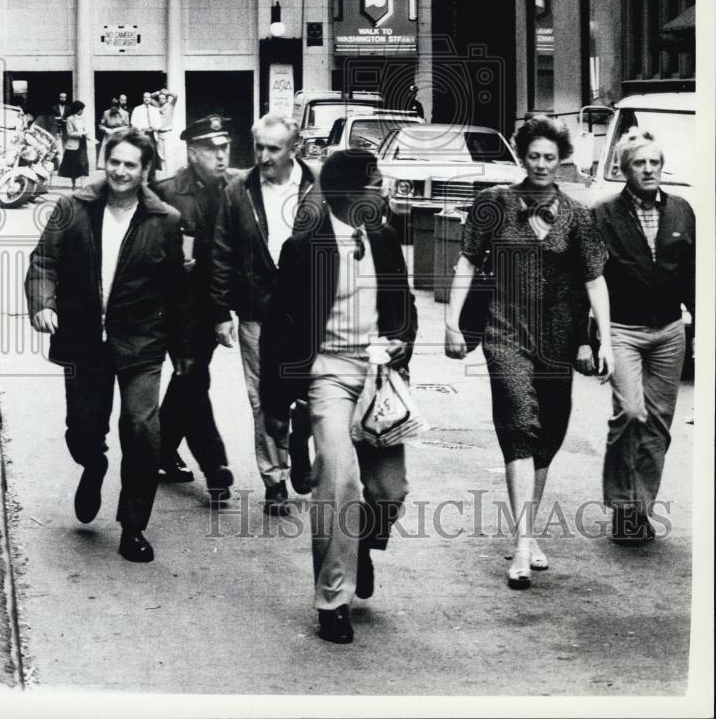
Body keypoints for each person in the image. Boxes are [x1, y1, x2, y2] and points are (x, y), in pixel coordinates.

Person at [445, 115, 614, 589]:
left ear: (561, 162)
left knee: (549, 431)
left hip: (558, 339)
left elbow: (594, 278)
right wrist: (451, 321)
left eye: (550, 157)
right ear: (523, 157)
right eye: (534, 156)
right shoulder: (493, 204)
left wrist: (607, 340)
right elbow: (466, 263)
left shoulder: (576, 214)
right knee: (519, 422)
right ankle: (521, 543)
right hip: (505, 332)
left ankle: (530, 530)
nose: (541, 164)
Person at [260, 149, 417, 644]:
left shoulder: (387, 239)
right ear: (352, 192)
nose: (384, 190)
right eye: (377, 182)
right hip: (326, 374)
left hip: (378, 374)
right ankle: (333, 600)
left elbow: (405, 307)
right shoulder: (305, 246)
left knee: (390, 492)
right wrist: (275, 405)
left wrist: (401, 339)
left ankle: (361, 544)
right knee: (340, 483)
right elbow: (278, 330)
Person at [24, 127, 195, 563]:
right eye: (114, 161)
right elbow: (44, 260)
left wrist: (184, 349)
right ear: (104, 161)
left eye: (130, 164)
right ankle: (93, 465)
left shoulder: (164, 220)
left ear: (146, 170)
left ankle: (133, 526)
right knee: (83, 430)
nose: (120, 171)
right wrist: (43, 304)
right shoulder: (72, 206)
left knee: (141, 430)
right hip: (85, 341)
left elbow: (177, 290)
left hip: (142, 343)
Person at [592, 128, 695, 545]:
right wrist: (588, 338)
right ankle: (620, 504)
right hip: (622, 330)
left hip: (670, 330)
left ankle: (639, 512)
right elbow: (590, 277)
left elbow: (695, 273)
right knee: (632, 413)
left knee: (658, 425)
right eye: (640, 163)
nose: (649, 169)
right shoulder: (603, 214)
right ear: (623, 170)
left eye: (654, 162)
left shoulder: (682, 211)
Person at [210, 113, 316, 515]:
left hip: (311, 311)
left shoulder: (319, 185)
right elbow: (220, 251)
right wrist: (221, 310)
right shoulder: (238, 191)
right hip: (257, 310)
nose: (265, 156)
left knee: (311, 395)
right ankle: (275, 479)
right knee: (262, 399)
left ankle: (301, 443)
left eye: (274, 148)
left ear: (295, 149)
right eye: (259, 147)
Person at [153, 115, 235, 502]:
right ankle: (216, 468)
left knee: (188, 379)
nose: (221, 156)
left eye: (225, 148)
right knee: (194, 380)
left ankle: (161, 449)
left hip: (211, 305)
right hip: (172, 306)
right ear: (192, 152)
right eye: (212, 149)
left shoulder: (236, 188)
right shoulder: (166, 192)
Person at [57, 100, 91, 190]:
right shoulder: (70, 119)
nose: (82, 111)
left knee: (83, 164)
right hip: (73, 145)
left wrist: (87, 135)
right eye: (81, 109)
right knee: (73, 167)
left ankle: (83, 185)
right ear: (77, 109)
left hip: (82, 144)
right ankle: (73, 185)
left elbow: (85, 128)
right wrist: (81, 133)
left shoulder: (83, 118)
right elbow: (70, 133)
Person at [130, 91, 161, 182]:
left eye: (148, 97)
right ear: (143, 99)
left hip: (152, 134)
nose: (147, 99)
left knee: (153, 155)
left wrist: (153, 128)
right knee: (141, 154)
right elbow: (133, 122)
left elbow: (159, 123)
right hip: (142, 134)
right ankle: (140, 176)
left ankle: (152, 176)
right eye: (145, 97)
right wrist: (143, 128)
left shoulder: (155, 110)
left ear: (150, 99)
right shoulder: (137, 109)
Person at [97, 97, 129, 168]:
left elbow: (127, 126)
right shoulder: (106, 113)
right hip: (108, 137)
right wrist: (106, 129)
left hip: (119, 136)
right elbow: (101, 125)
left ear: (118, 107)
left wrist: (116, 130)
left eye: (115, 107)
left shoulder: (125, 114)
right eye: (112, 106)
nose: (113, 109)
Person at [154, 89, 178, 178]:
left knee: (168, 155)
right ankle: (164, 175)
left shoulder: (170, 105)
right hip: (159, 133)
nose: (161, 100)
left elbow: (175, 95)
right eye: (159, 98)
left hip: (167, 133)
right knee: (161, 155)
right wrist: (157, 92)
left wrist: (168, 92)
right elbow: (151, 97)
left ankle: (170, 175)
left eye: (163, 98)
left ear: (166, 99)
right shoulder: (157, 105)